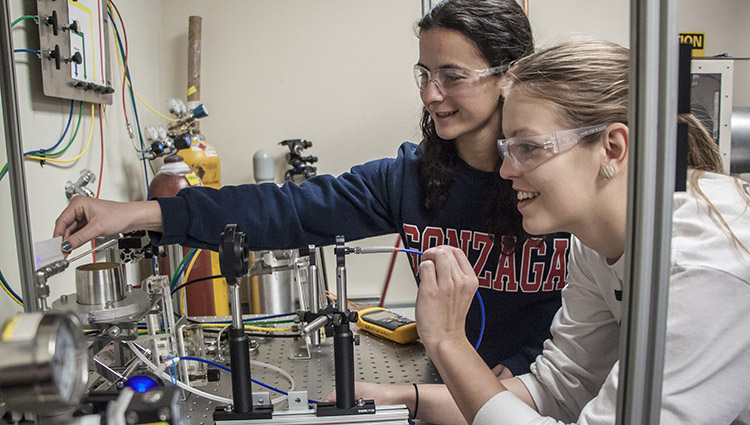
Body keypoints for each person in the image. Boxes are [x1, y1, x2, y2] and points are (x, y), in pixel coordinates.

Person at [54, 0, 569, 375]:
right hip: (450, 385)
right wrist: (137, 214)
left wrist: (531, 370)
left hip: (547, 395)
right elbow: (287, 210)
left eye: (452, 76)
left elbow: (592, 311)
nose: (431, 95)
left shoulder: (559, 182)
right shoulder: (409, 181)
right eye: (424, 73)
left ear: (509, 75)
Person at [353, 39, 749, 424]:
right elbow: (558, 389)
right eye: (507, 149)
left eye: (528, 148)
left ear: (612, 147)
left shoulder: (702, 266)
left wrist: (447, 341)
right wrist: (407, 399)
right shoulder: (594, 245)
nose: (506, 171)